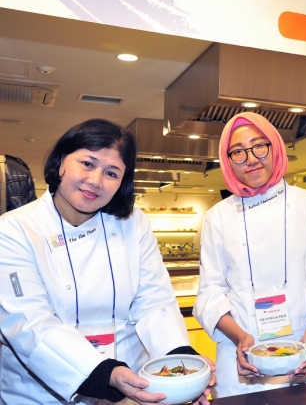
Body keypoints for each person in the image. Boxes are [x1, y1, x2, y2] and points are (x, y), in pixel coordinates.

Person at [0, 119, 215, 405]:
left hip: (129, 387)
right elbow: (29, 321)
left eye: (112, 172)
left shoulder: (133, 223)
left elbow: (153, 299)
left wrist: (180, 357)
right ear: (61, 161)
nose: (96, 181)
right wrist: (104, 373)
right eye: (87, 164)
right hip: (41, 394)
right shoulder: (15, 229)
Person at [193, 112, 306, 397]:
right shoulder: (218, 216)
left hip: (302, 346)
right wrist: (241, 339)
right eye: (238, 151)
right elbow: (210, 290)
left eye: (259, 145)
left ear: (275, 146)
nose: (251, 158)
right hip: (242, 353)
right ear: (227, 160)